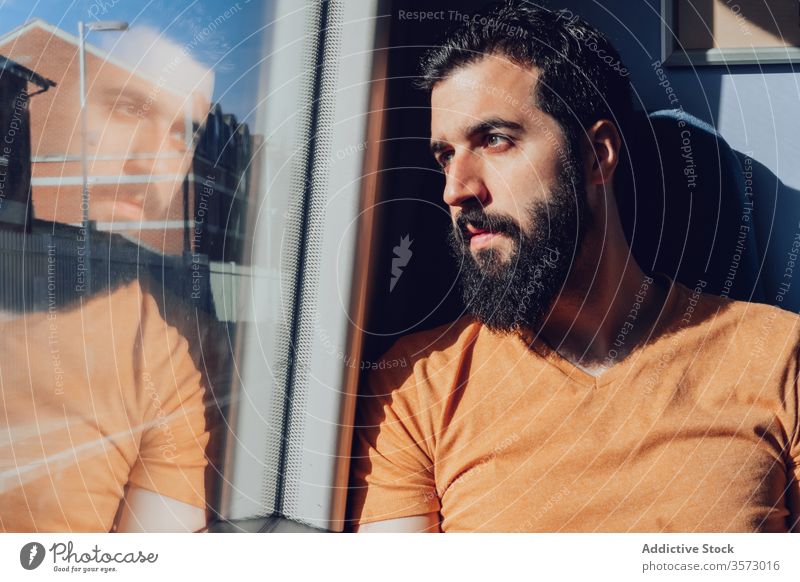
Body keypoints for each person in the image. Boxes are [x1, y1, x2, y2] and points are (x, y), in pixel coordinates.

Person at [348, 1, 800, 532]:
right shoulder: (416, 386)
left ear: (596, 155)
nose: (455, 190)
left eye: (494, 140)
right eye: (445, 155)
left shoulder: (777, 356)